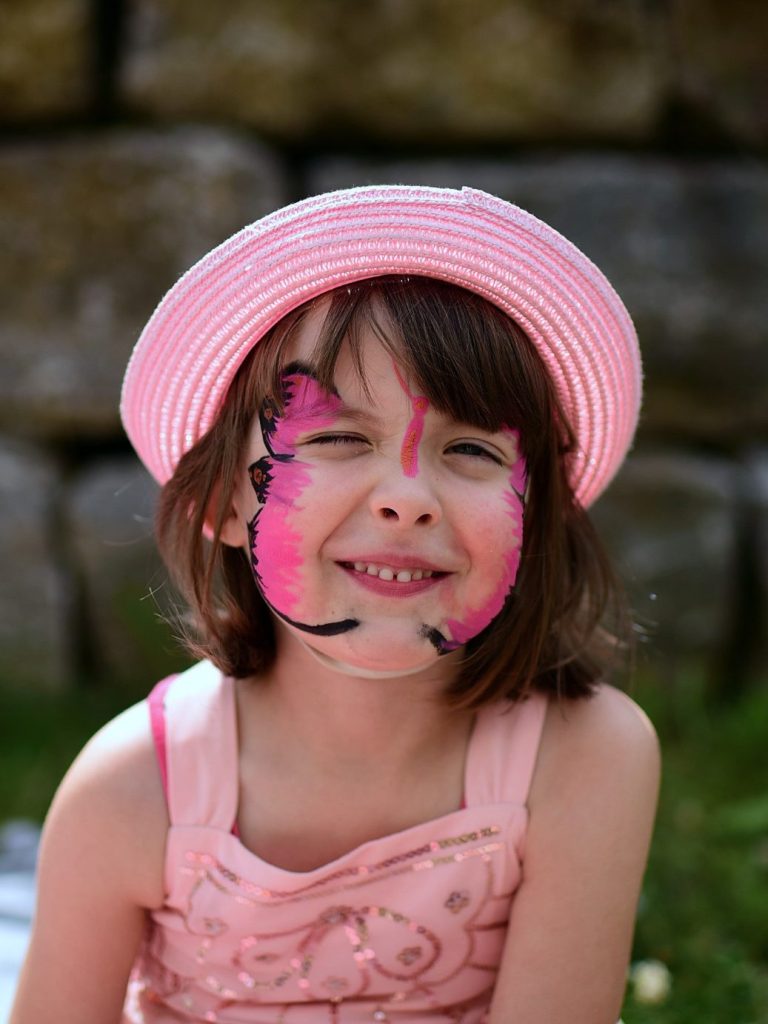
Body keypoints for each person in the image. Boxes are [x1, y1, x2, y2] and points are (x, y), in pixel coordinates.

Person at [11, 185, 660, 1024]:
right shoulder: (134, 791)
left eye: (471, 449)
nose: (407, 499)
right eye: (339, 438)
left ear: (533, 516)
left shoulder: (579, 760)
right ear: (224, 503)